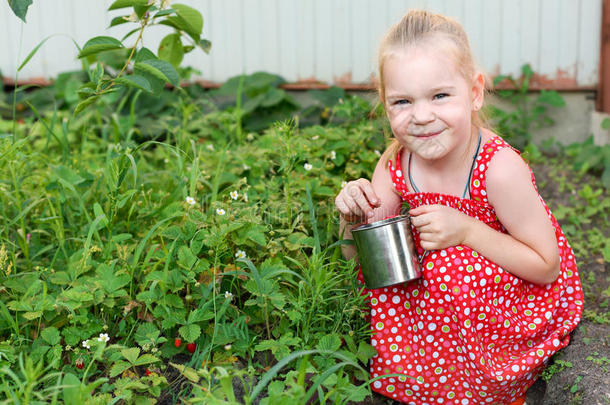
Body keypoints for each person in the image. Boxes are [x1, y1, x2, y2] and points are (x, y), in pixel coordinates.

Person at [334, 10, 583, 405]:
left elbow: (546, 265)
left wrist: (468, 230)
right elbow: (361, 261)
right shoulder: (396, 162)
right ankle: (426, 375)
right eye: (402, 101)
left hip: (509, 301)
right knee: (417, 269)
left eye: (439, 95)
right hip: (435, 315)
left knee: (449, 265)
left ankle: (482, 384)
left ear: (475, 92)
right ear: (385, 105)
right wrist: (353, 218)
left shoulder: (498, 169)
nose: (421, 116)